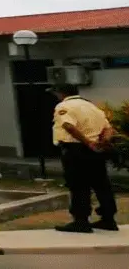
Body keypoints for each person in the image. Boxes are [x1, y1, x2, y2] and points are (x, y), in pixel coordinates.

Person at [50, 83, 119, 233]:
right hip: (96, 150)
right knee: (101, 184)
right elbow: (108, 128)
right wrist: (103, 142)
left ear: (61, 93)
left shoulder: (64, 106)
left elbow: (68, 126)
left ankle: (81, 221)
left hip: (76, 149)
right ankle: (108, 219)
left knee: (79, 185)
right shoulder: (91, 107)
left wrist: (87, 142)